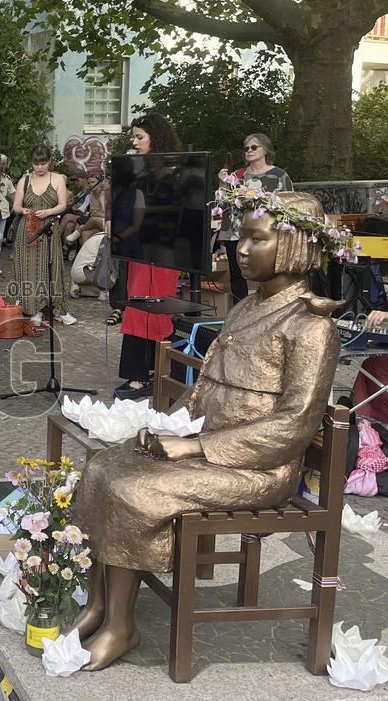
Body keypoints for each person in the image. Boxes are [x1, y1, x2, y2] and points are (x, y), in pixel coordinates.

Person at [71, 191, 340, 670]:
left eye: (256, 238)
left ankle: (122, 627)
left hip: (258, 467)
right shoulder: (246, 307)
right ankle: (99, 606)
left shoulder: (311, 327)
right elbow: (206, 386)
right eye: (243, 236)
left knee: (134, 489)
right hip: (204, 445)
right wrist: (166, 425)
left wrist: (195, 445)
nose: (240, 248)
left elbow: (295, 426)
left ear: (295, 246)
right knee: (99, 465)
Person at [110, 114, 183, 399]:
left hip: (162, 250)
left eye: (140, 137)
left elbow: (177, 213)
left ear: (156, 137)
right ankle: (144, 372)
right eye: (134, 137)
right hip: (141, 249)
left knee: (149, 308)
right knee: (138, 305)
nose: (134, 142)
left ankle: (144, 376)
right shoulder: (142, 171)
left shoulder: (174, 172)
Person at [217, 133, 293, 303]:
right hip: (236, 232)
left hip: (266, 233)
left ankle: (270, 308)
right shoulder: (237, 175)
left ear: (265, 150)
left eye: (253, 147)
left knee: (269, 272)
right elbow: (222, 206)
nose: (249, 151)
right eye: (246, 148)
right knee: (237, 275)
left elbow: (290, 204)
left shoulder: (279, 175)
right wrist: (222, 184)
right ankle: (240, 312)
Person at [9, 144, 75, 324]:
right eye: (36, 163)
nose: (39, 167)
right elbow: (16, 205)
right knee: (29, 269)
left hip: (48, 228)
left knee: (53, 267)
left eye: (43, 163)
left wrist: (49, 212)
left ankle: (58, 309)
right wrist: (23, 211)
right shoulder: (25, 179)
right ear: (32, 163)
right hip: (28, 229)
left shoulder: (58, 179)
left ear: (49, 162)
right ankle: (33, 310)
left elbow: (63, 204)